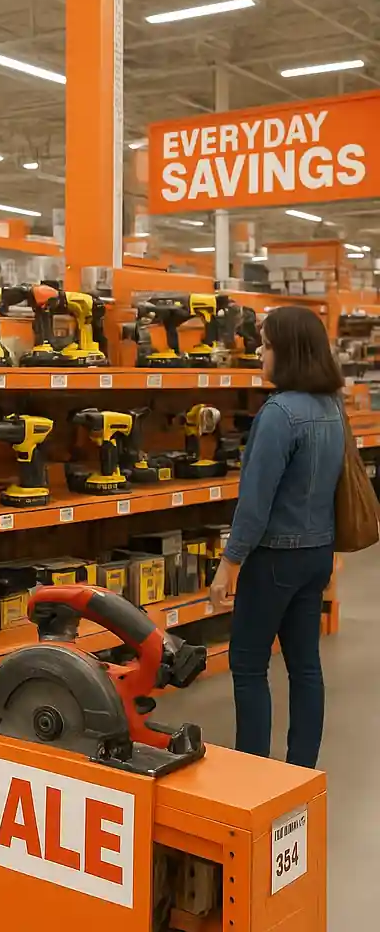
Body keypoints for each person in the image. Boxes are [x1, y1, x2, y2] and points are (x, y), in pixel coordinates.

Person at [209, 305, 344, 769]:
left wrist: (229, 563)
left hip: (273, 560)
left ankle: (254, 774)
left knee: (248, 666)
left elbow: (255, 504)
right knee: (305, 666)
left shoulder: (278, 414)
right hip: (316, 554)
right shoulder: (331, 408)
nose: (260, 356)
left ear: (287, 352)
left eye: (265, 347)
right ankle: (301, 771)